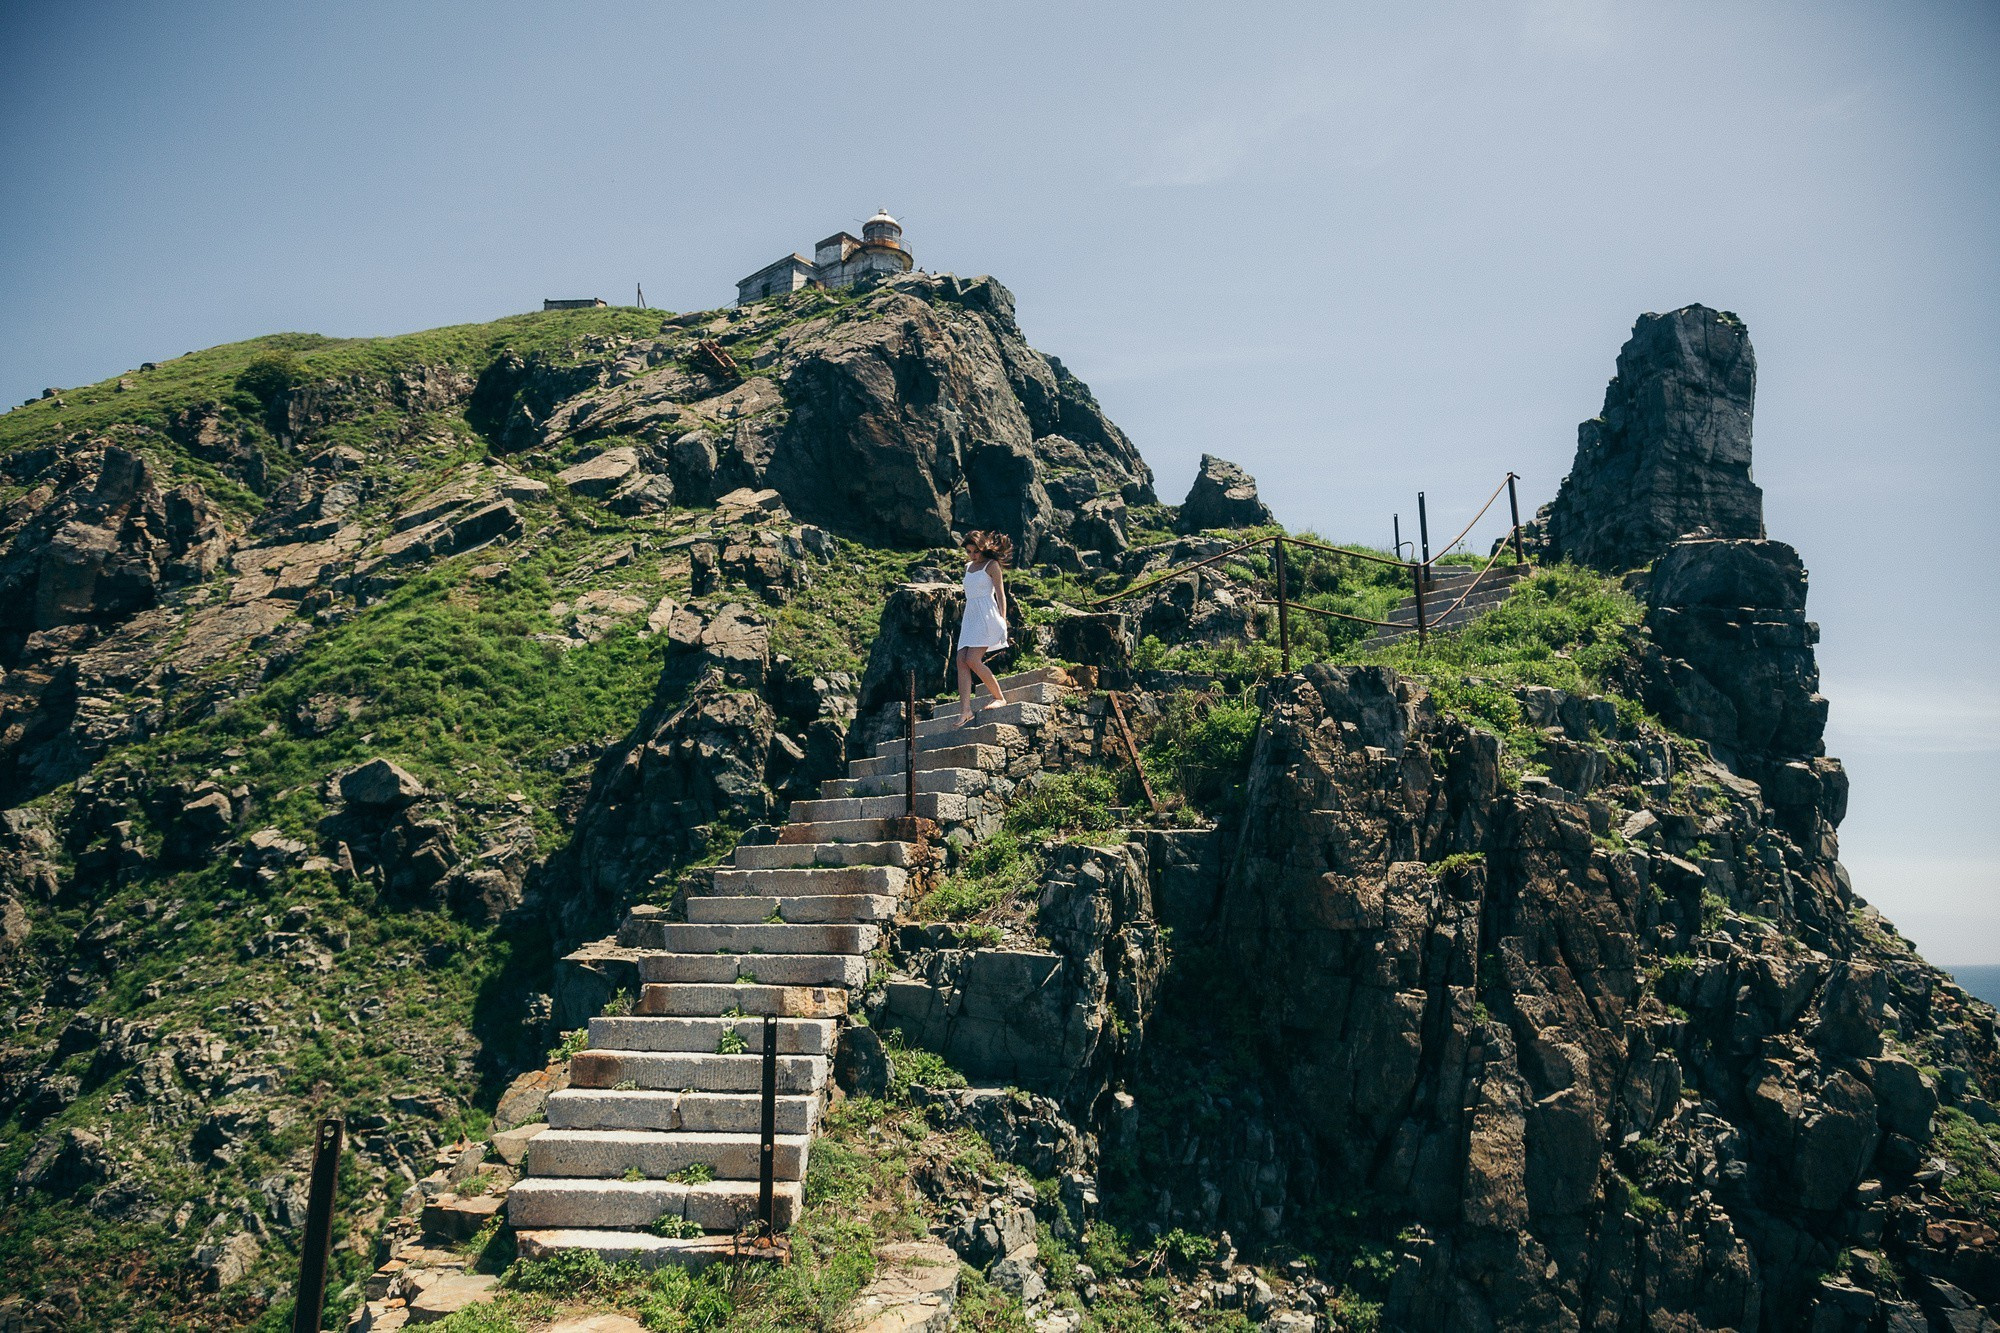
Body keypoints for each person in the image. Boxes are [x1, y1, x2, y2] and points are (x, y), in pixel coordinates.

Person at [955, 530, 1012, 724]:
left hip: (987, 615)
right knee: (961, 660)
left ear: (983, 548)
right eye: (969, 552)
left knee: (972, 659)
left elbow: (1000, 594)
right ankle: (965, 711)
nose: (972, 555)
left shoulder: (992, 565)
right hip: (971, 617)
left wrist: (1003, 620)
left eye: (975, 551)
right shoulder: (968, 567)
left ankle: (999, 697)